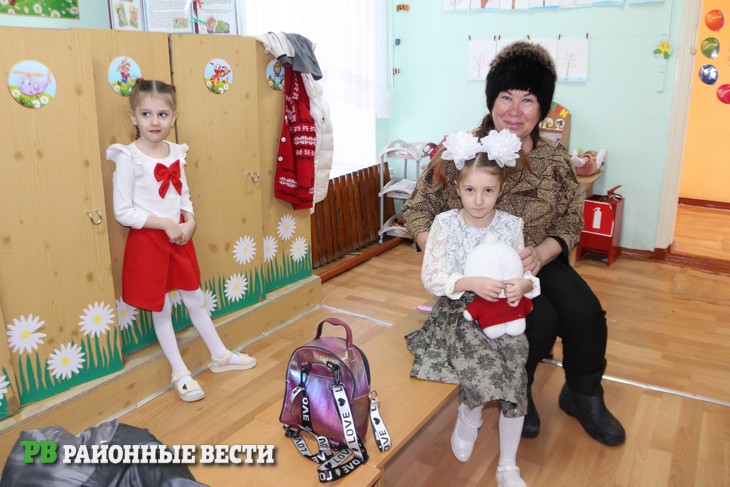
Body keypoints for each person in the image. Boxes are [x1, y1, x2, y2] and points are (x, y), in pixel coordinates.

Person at [402, 41, 625, 446]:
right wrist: (440, 248)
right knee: (540, 319)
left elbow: (570, 220)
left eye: (528, 99)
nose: (515, 110)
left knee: (586, 313)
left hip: (538, 260)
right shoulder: (461, 151)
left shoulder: (554, 159)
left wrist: (542, 252)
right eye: (506, 96)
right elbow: (418, 208)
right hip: (475, 275)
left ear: (543, 108)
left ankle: (583, 394)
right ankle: (516, 391)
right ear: (492, 99)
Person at [107, 79, 256, 403]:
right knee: (161, 308)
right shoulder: (128, 158)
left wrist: (190, 220)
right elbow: (123, 212)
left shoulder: (176, 152)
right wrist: (164, 223)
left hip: (179, 237)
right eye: (146, 114)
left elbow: (183, 193)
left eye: (162, 114)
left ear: (173, 117)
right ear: (133, 117)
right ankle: (180, 372)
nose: (154, 121)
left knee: (195, 298)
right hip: (149, 242)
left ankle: (219, 355)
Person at [407, 129, 536, 487]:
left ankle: (508, 466)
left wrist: (524, 285)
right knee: (483, 362)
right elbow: (433, 277)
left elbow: (524, 274)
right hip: (458, 312)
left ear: (501, 189)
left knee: (516, 367)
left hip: (503, 312)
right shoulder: (445, 224)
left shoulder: (512, 225)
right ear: (457, 188)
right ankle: (470, 412)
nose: (478, 200)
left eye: (488, 191)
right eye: (470, 190)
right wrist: (471, 282)